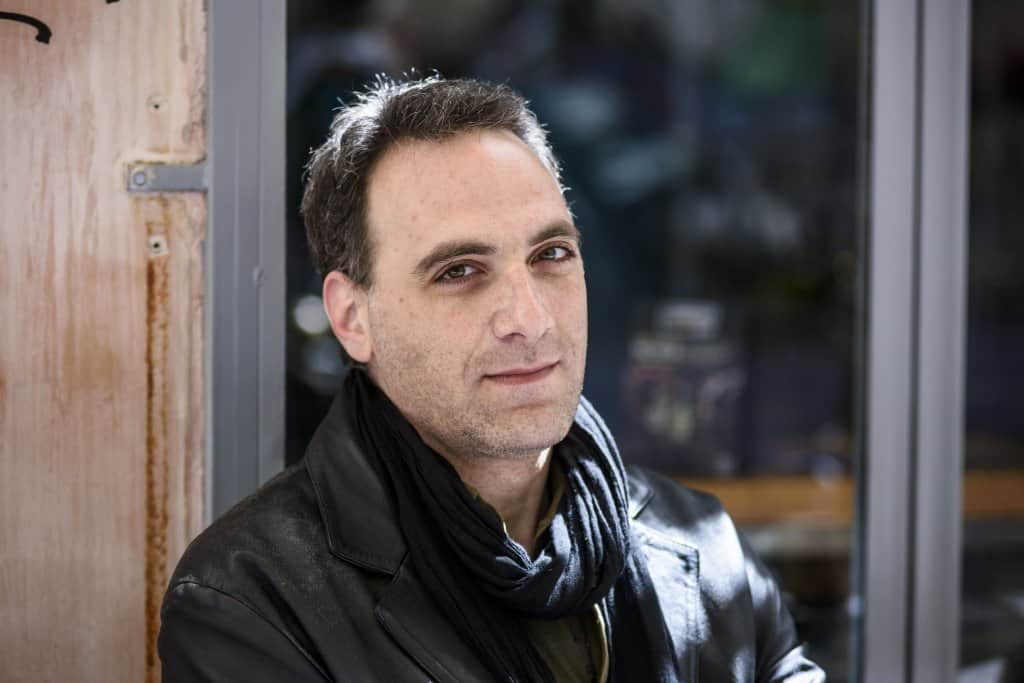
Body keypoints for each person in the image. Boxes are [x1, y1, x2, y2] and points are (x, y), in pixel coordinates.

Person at [158, 76, 825, 682]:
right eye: (459, 271)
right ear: (352, 317)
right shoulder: (250, 603)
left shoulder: (706, 549)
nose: (530, 319)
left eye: (551, 254)